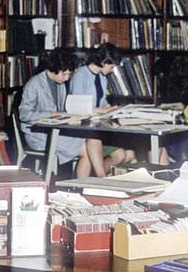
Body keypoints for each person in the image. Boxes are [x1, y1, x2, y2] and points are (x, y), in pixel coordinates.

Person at [18, 48, 96, 178]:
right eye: (64, 74)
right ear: (54, 69)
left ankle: (81, 187)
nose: (66, 79)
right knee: (86, 150)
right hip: (38, 135)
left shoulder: (59, 84)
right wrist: (51, 114)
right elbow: (24, 114)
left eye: (69, 75)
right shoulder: (34, 84)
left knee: (89, 142)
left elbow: (60, 110)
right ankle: (81, 189)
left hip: (54, 131)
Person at [68, 43, 134, 176]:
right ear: (104, 62)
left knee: (121, 155)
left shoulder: (102, 78)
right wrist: (99, 110)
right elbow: (76, 107)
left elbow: (102, 102)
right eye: (111, 66)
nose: (112, 70)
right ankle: (100, 178)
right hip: (80, 129)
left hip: (96, 126)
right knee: (94, 139)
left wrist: (110, 109)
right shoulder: (80, 75)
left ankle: (96, 177)